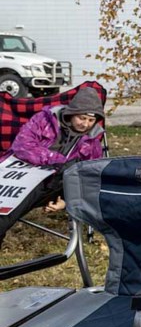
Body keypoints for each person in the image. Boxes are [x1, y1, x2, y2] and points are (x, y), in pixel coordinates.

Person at [0, 87, 105, 247]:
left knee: (74, 169)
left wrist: (66, 201)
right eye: (82, 118)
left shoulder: (92, 142)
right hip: (21, 173)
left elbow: (92, 178)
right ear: (72, 113)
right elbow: (22, 145)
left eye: (91, 120)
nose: (85, 124)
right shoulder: (44, 119)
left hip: (54, 185)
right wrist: (55, 160)